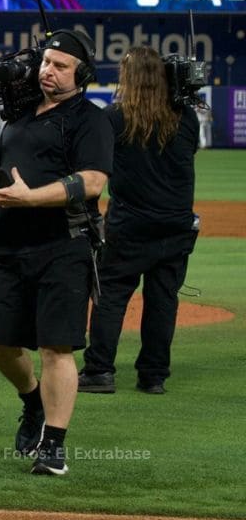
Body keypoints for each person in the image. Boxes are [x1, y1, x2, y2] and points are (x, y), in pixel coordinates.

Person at [0, 29, 114, 476]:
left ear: (81, 74)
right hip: (12, 244)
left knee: (56, 348)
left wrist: (30, 198)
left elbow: (92, 182)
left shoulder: (91, 119)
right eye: (46, 62)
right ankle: (32, 401)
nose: (48, 70)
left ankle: (54, 444)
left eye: (61, 65)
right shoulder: (21, 115)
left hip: (63, 246)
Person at [79, 47, 199, 395]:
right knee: (163, 300)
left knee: (112, 296)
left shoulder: (114, 118)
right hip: (176, 226)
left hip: (129, 226)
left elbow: (98, 167)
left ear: (127, 78)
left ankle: (100, 370)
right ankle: (154, 375)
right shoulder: (186, 116)